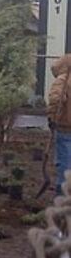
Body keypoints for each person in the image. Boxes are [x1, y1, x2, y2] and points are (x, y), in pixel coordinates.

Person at [47, 54, 71, 194]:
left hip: (64, 128)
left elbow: (55, 101)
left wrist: (52, 119)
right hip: (66, 128)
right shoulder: (64, 80)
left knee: (65, 164)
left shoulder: (62, 80)